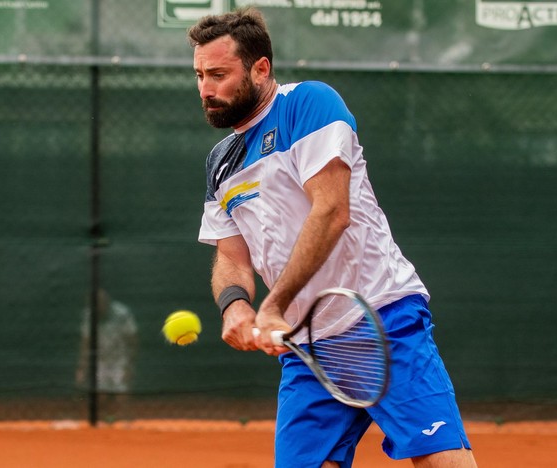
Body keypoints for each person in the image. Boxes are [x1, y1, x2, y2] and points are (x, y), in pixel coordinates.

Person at [188, 7, 478, 467]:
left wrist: (273, 304)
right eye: (200, 75)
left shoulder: (308, 104)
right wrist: (236, 305)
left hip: (382, 318)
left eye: (219, 74)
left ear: (260, 68)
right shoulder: (221, 162)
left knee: (441, 462)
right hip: (306, 348)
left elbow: (331, 211)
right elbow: (231, 257)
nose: (206, 89)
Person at [76, 289, 138, 396]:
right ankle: (104, 413)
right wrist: (82, 368)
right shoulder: (88, 315)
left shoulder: (122, 314)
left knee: (121, 394)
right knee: (100, 396)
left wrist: (129, 367)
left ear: (107, 302)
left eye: (100, 302)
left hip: (120, 359)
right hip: (100, 360)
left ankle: (121, 413)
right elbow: (85, 342)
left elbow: (132, 341)